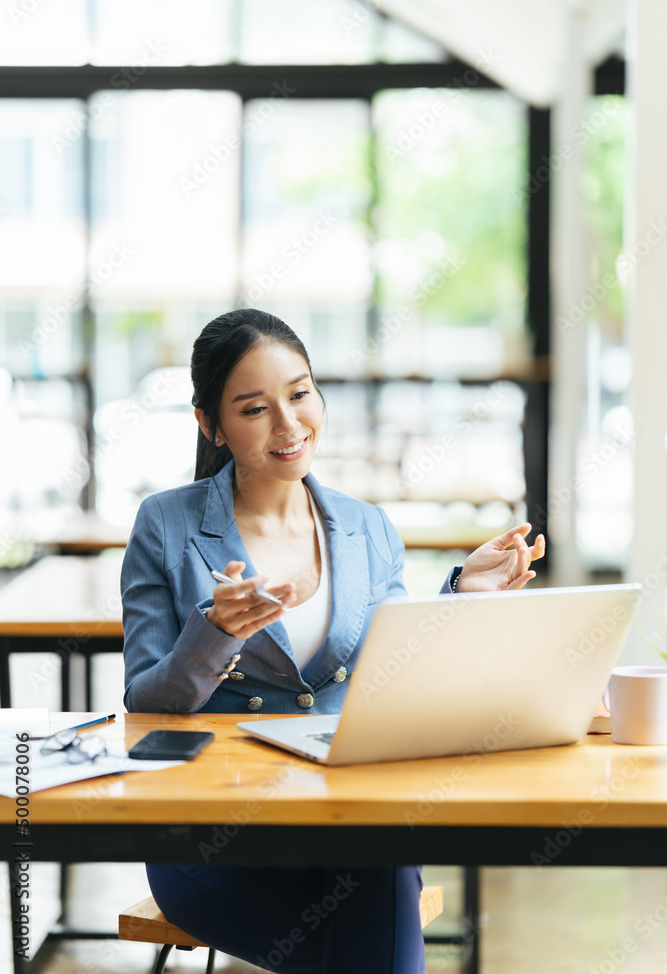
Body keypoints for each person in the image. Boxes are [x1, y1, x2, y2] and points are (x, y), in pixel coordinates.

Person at [121, 308, 545, 974]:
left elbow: (395, 676)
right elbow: (145, 703)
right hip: (210, 829)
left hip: (343, 812)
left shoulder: (365, 526)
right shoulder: (166, 525)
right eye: (255, 408)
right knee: (375, 907)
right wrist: (213, 635)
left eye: (299, 394)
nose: (289, 426)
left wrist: (464, 596)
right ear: (211, 425)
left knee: (373, 863)